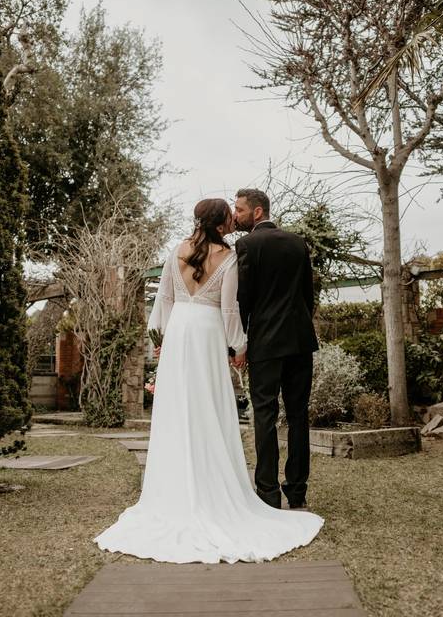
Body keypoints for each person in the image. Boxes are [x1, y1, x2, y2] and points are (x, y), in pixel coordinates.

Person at [94, 198, 323, 564]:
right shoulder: (233, 255)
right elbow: (231, 308)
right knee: (220, 410)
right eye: (231, 215)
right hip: (215, 333)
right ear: (221, 223)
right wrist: (239, 345)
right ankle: (289, 491)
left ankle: (184, 491)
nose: (236, 218)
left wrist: (162, 338)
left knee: (178, 412)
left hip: (181, 334)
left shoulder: (177, 250)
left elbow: (164, 299)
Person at [233, 188, 319, 509]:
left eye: (239, 210)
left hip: (265, 342)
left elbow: (244, 299)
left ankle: (267, 493)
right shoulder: (299, 243)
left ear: (257, 212)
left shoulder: (247, 245)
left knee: (265, 415)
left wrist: (239, 340)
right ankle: (297, 491)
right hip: (300, 341)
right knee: (298, 416)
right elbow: (308, 297)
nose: (235, 215)